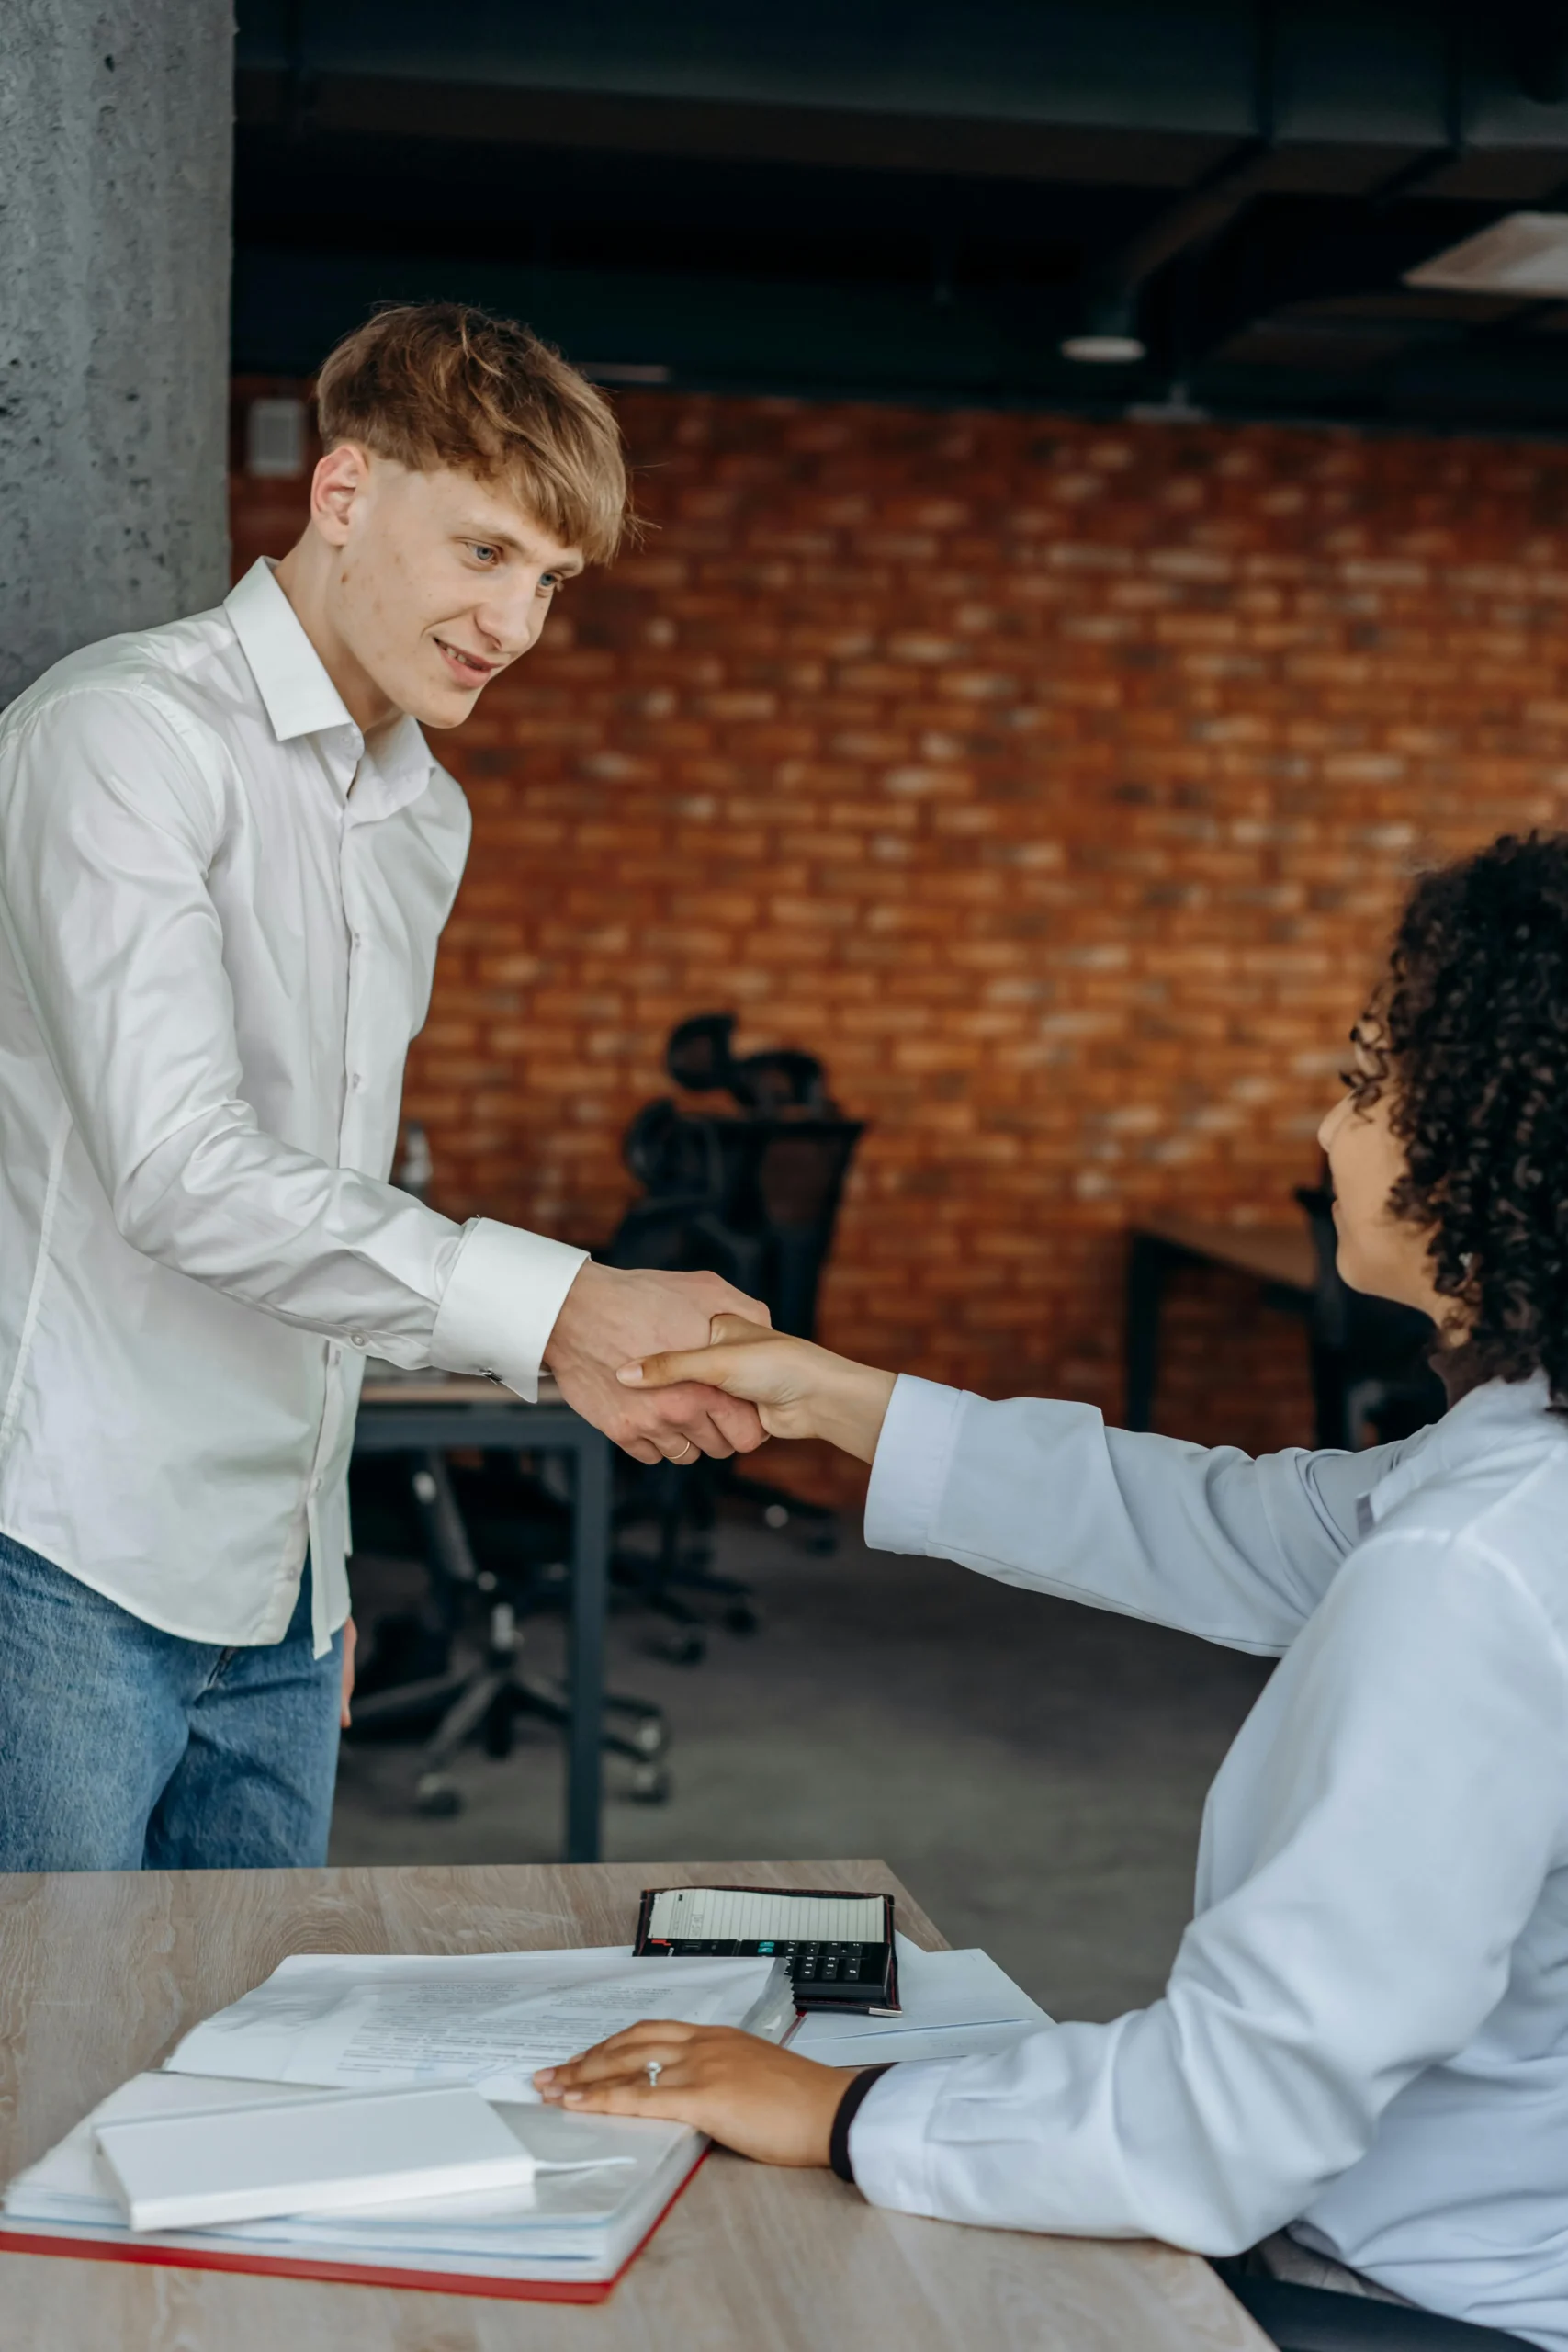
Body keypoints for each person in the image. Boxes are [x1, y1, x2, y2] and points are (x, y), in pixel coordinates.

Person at [538, 832, 1568, 2351]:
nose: (1324, 1125)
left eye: (1363, 1083)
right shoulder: (1504, 1482)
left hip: (1409, 2305)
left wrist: (837, 2110)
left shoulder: (1471, 1566)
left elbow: (1222, 2119)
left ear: (1500, 1145)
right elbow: (1228, 1521)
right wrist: (840, 1398)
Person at [0, 303, 767, 1876]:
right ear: (340, 492)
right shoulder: (125, 738)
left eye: (549, 581)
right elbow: (181, 1172)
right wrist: (555, 1310)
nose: (514, 624)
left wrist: (318, 1586)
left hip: (273, 1587)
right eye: (482, 552)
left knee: (227, 2078)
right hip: (61, 1560)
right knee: (42, 2088)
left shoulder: (424, 816)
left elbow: (323, 1189)